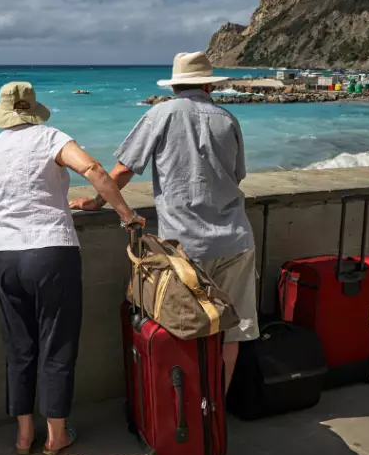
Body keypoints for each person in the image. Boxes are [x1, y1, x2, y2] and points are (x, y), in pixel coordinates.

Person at [71, 51, 260, 394]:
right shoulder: (227, 118)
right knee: (233, 330)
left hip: (184, 247)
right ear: (208, 85)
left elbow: (124, 169)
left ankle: (186, 410)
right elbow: (237, 176)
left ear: (175, 85)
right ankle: (216, 408)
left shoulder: (160, 114)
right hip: (235, 239)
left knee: (183, 328)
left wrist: (97, 201)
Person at [0, 81, 146, 455]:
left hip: (7, 255)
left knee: (19, 347)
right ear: (33, 108)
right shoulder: (50, 137)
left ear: (2, 113)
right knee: (57, 344)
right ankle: (56, 435)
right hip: (52, 251)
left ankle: (23, 436)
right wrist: (127, 215)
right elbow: (94, 169)